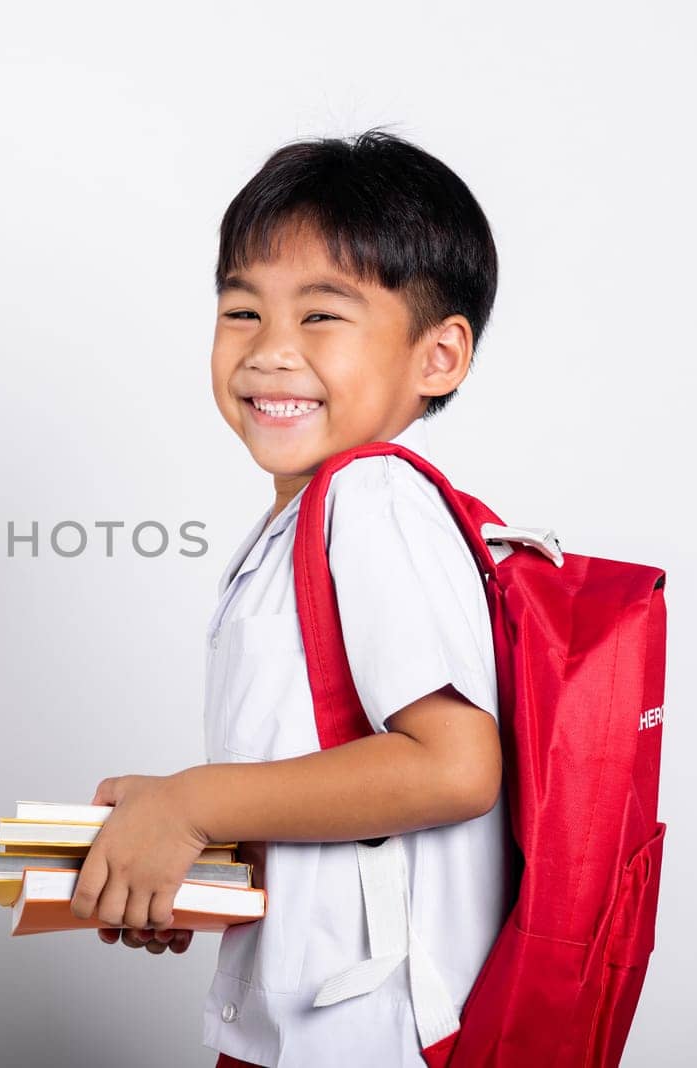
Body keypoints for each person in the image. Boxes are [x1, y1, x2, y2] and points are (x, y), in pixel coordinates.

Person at [69, 129, 513, 1067]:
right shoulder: (304, 521)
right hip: (309, 1023)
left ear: (439, 357)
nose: (270, 352)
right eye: (242, 311)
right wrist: (194, 854)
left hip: (373, 1040)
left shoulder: (373, 497)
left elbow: (452, 768)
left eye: (321, 317)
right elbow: (342, 791)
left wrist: (196, 805)